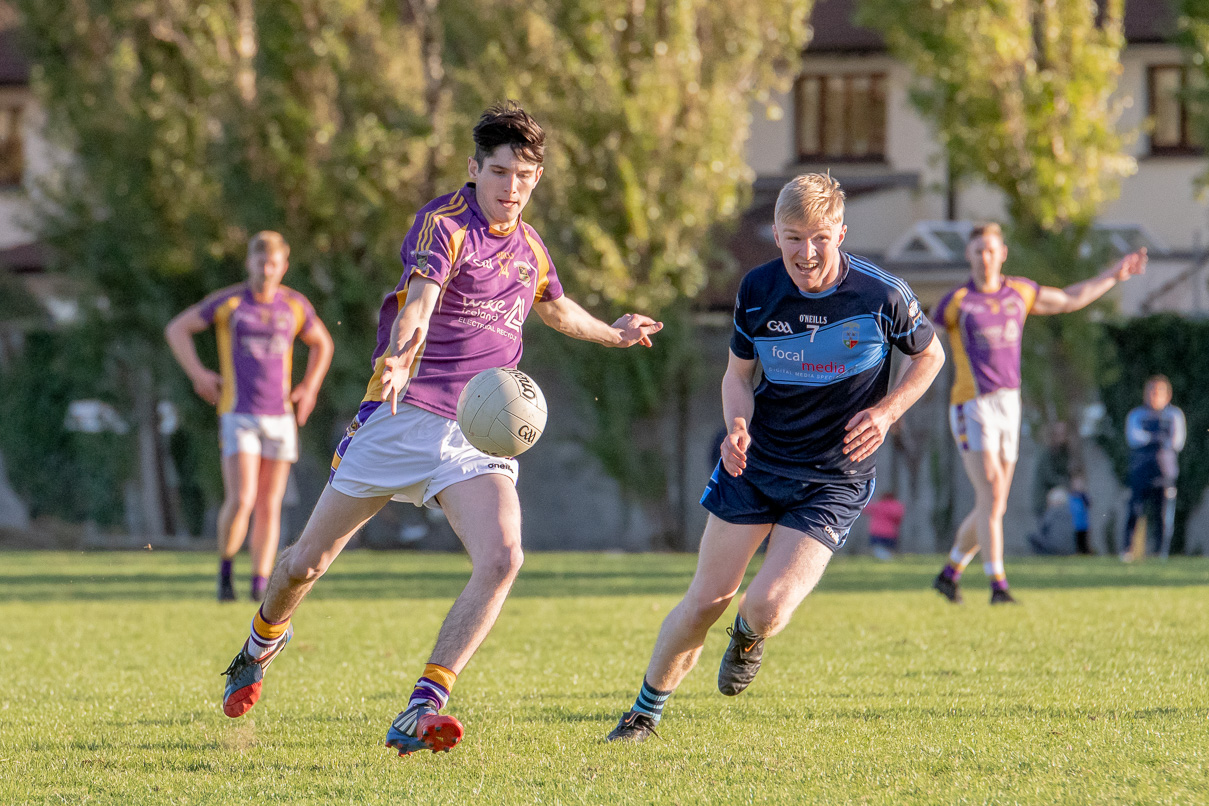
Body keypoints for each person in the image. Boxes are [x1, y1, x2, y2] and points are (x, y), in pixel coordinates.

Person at [218, 102, 663, 757]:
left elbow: (556, 308)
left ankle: (422, 707)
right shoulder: (444, 225)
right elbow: (420, 300)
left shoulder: (531, 246)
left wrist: (614, 333)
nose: (512, 186)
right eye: (500, 171)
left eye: (525, 174)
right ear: (473, 169)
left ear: (537, 179)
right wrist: (400, 356)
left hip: (475, 436)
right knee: (304, 564)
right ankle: (259, 643)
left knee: (504, 557)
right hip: (401, 416)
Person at [605, 173, 945, 742]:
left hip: (833, 478)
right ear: (776, 233)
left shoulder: (881, 295)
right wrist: (736, 424)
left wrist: (886, 413)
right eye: (792, 237)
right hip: (756, 465)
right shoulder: (758, 289)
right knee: (705, 598)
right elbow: (737, 375)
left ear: (841, 230)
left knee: (765, 605)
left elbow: (929, 356)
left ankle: (749, 635)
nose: (805, 253)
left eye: (818, 237)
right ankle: (643, 714)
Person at [930, 223, 1147, 605]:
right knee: (990, 493)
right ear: (968, 255)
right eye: (977, 250)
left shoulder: (1020, 292)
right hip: (971, 404)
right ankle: (998, 585)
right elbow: (919, 346)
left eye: (990, 249)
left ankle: (950, 574)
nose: (984, 257)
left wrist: (1114, 274)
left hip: (1008, 404)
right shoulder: (956, 301)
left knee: (994, 503)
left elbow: (1069, 298)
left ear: (1002, 254)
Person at [165, 231, 334, 602]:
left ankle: (260, 583)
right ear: (249, 263)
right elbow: (177, 329)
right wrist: (198, 374)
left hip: (280, 417)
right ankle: (225, 572)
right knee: (242, 498)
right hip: (238, 413)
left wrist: (309, 387)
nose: (266, 269)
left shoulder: (294, 305)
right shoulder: (230, 303)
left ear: (283, 266)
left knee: (270, 504)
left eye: (273, 263)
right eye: (260, 262)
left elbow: (323, 343)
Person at [1122, 375, 1185, 560]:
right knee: (1135, 510)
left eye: (1158, 392)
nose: (1154, 395)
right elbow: (1134, 438)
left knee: (1163, 514)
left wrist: (1153, 438)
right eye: (1151, 391)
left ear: (1167, 395)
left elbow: (1177, 441)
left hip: (1165, 472)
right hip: (1141, 470)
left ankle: (1160, 552)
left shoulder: (1174, 416)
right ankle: (1127, 550)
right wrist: (1158, 438)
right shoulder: (1137, 415)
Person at [866, 490, 906, 560]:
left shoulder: (879, 505)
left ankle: (885, 559)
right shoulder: (897, 506)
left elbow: (866, 508)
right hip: (891, 532)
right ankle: (887, 559)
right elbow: (899, 518)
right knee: (888, 548)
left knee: (877, 548)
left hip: (877, 532)